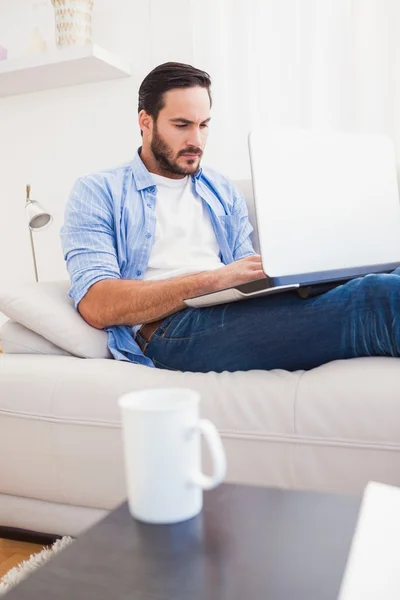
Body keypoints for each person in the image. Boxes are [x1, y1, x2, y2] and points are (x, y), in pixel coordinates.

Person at [61, 62, 400, 372]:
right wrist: (212, 280)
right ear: (145, 122)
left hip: (233, 308)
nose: (196, 140)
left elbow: (243, 271)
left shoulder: (220, 189)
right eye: (181, 125)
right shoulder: (98, 191)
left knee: (387, 270)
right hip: (171, 330)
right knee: (377, 297)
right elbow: (96, 303)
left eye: (204, 125)